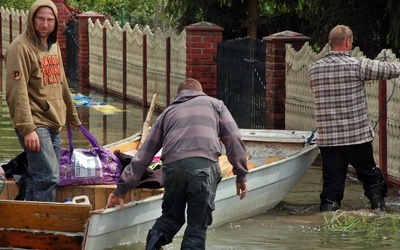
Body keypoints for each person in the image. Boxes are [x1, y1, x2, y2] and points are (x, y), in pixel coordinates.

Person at [106, 78, 248, 249]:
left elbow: (144, 155)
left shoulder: (167, 113)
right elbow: (233, 138)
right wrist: (240, 174)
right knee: (196, 228)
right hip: (203, 167)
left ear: (178, 95)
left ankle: (152, 245)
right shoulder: (216, 105)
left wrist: (121, 190)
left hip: (172, 169)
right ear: (200, 92)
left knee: (170, 218)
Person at [308, 25, 400, 212]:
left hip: (329, 139)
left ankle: (328, 218)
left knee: (332, 185)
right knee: (370, 177)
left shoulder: (314, 69)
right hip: (356, 137)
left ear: (330, 43)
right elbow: (392, 70)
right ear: (348, 42)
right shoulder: (357, 65)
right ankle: (379, 211)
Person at [5, 0, 81, 202]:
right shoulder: (20, 47)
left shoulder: (53, 45)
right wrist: (28, 128)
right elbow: (16, 92)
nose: (45, 24)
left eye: (50, 20)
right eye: (40, 18)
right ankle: (42, 222)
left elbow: (62, 82)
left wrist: (72, 115)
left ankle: (28, 220)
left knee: (42, 177)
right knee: (48, 176)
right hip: (35, 122)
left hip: (54, 121)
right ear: (31, 19)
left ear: (56, 22)